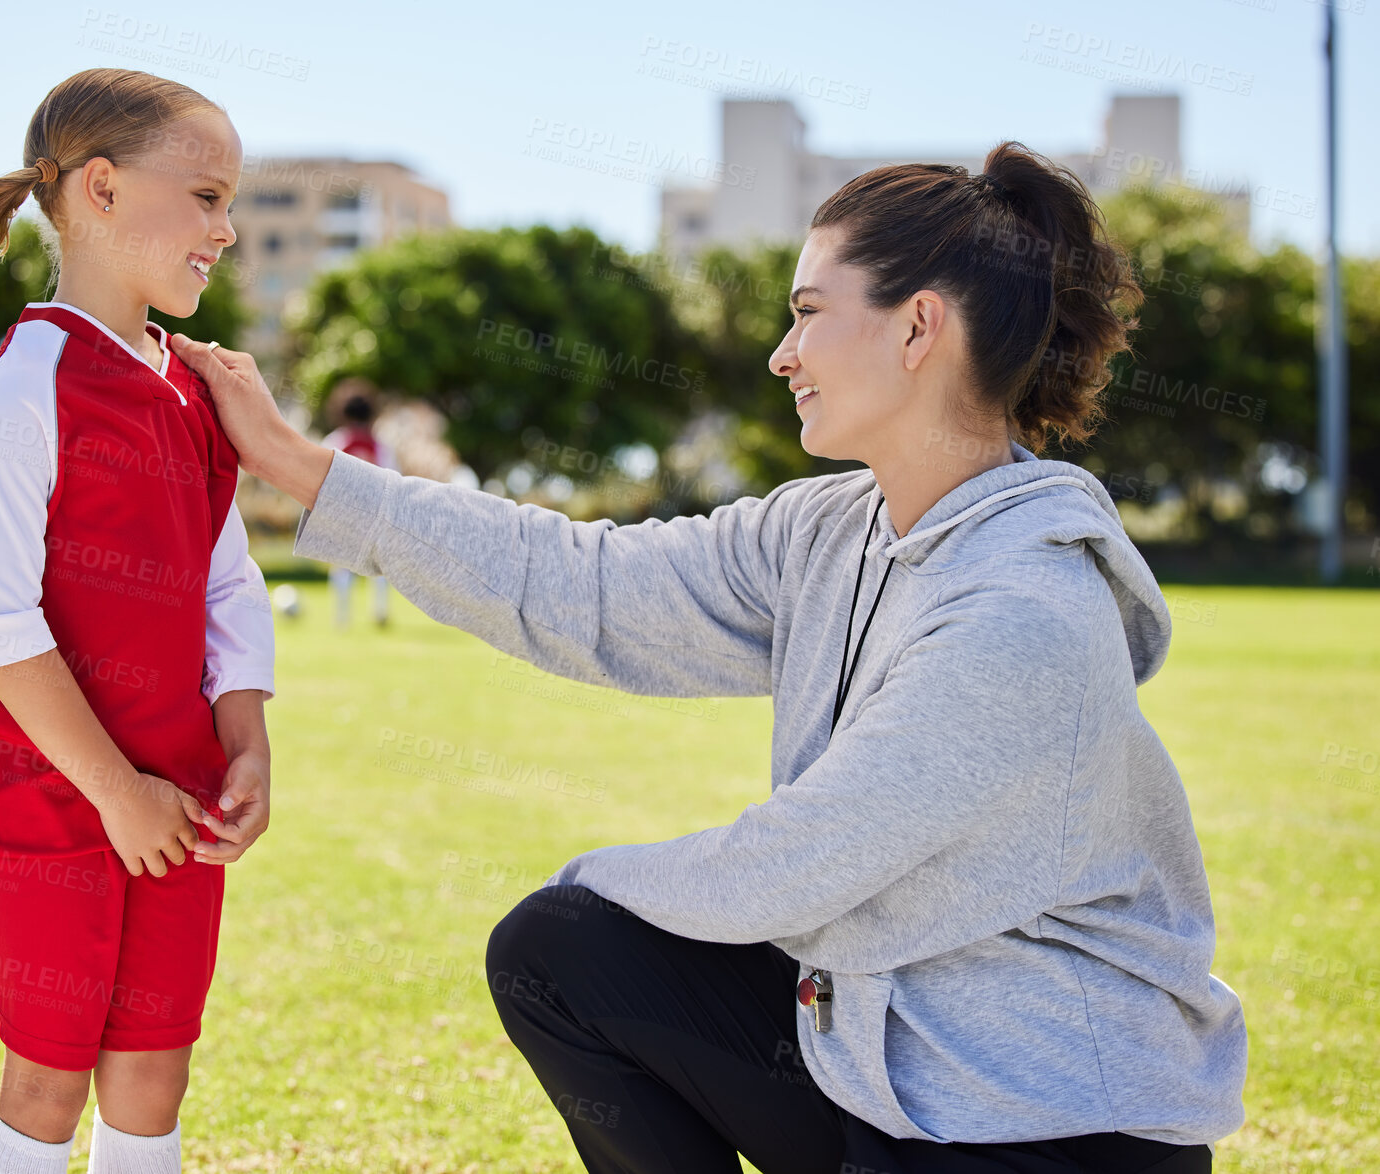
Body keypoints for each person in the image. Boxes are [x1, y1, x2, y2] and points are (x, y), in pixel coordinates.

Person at [171, 140, 1247, 1174]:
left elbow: (795, 867)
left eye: (809, 314)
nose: (782, 353)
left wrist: (594, 877)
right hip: (881, 1073)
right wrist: (307, 471)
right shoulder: (830, 530)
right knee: (561, 950)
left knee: (583, 911)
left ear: (919, 327)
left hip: (1049, 1133)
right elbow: (585, 584)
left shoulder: (1021, 612)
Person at [0, 68, 276, 1174]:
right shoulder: (28, 383)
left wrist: (246, 736)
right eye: (206, 196)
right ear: (102, 188)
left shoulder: (193, 389)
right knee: (50, 1071)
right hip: (51, 799)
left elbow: (227, 582)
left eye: (230, 200)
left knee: (154, 1065)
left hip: (180, 796)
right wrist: (116, 794)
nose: (228, 227)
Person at [318, 380, 397, 627]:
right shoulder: (380, 446)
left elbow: (322, 475)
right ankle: (380, 610)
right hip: (374, 511)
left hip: (342, 511)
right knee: (379, 566)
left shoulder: (335, 441)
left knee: (341, 565)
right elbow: (394, 478)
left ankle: (342, 617)